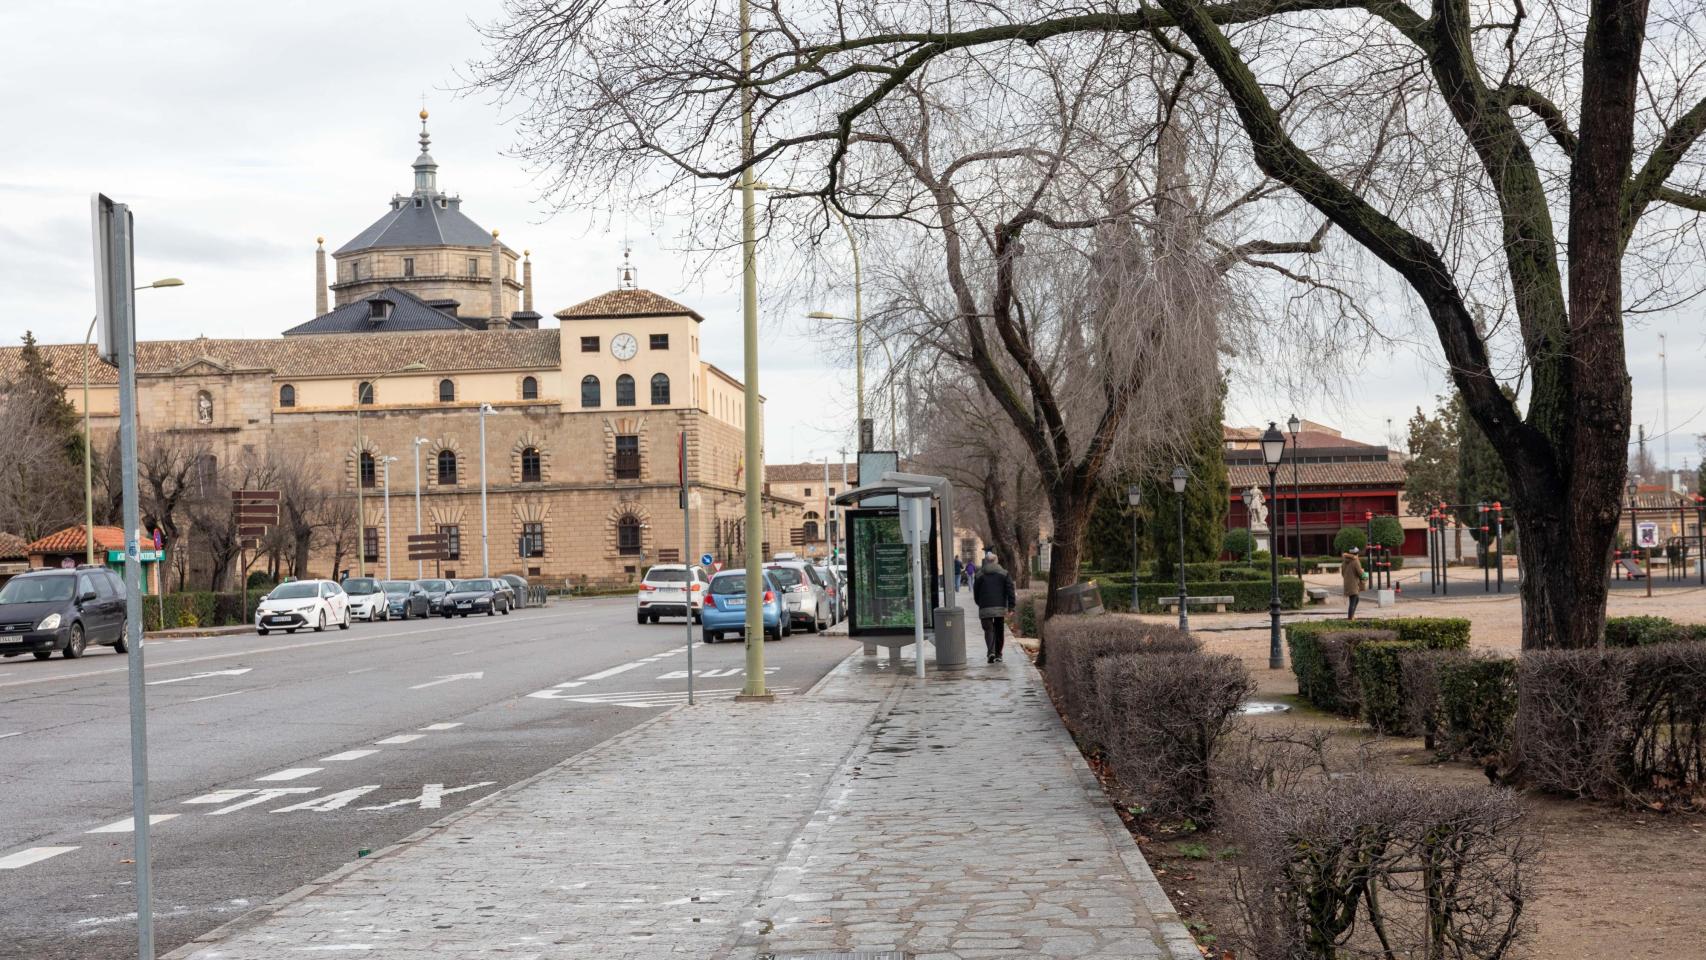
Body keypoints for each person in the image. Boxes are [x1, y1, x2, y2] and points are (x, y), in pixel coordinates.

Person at [972, 550, 1016, 663]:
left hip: (985, 606)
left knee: (988, 630)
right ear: (996, 561)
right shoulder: (1004, 573)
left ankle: (990, 652)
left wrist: (979, 603)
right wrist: (1011, 607)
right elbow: (1010, 590)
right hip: (1000, 607)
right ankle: (998, 654)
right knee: (999, 629)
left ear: (986, 562)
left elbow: (975, 592)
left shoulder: (979, 575)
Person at [1342, 546, 1365, 620]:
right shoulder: (1355, 561)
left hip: (1347, 583)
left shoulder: (1345, 561)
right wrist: (1363, 573)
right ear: (1356, 554)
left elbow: (1342, 573)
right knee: (1353, 600)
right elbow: (1360, 573)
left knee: (1355, 599)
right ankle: (1350, 618)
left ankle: (1352, 616)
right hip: (1354, 583)